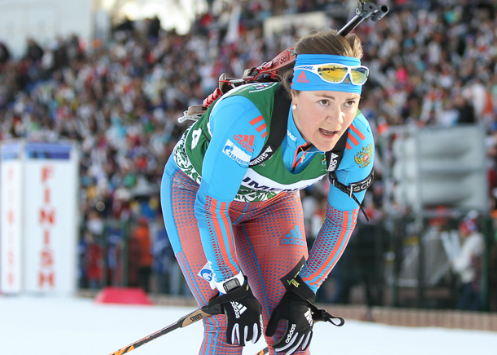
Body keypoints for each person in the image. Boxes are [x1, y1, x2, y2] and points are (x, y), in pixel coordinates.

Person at [160, 29, 374, 354]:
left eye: (350, 102)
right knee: (227, 322)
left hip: (271, 204)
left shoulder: (356, 140)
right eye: (324, 101)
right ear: (295, 93)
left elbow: (340, 223)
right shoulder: (248, 117)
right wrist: (231, 284)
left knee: (291, 327)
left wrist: (303, 292)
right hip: (195, 193)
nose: (338, 118)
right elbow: (211, 208)